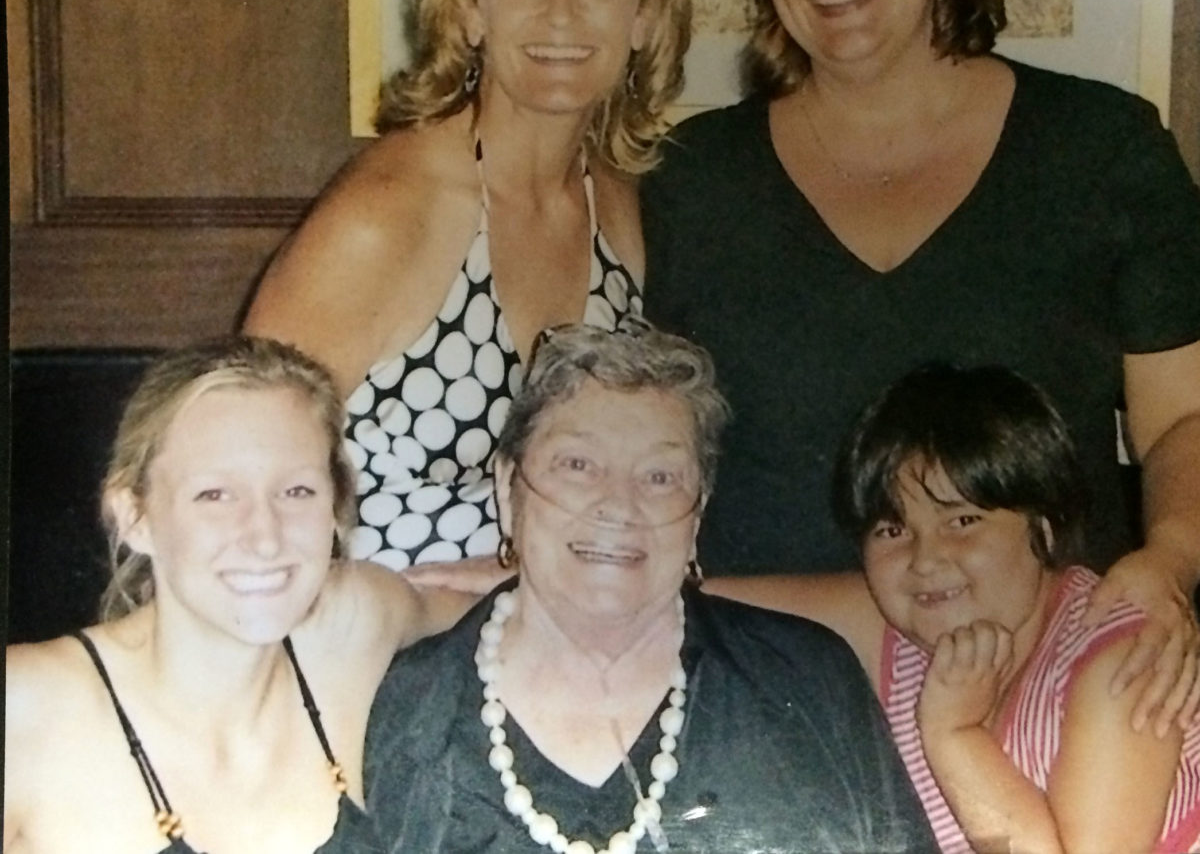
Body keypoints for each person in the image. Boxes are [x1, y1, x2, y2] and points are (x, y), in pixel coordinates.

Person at [640, 0, 1200, 655]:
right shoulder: (689, 177)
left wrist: (1169, 562)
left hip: (1040, 684)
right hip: (762, 678)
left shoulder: (1102, 150)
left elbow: (1181, 420)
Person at [244, 0, 692, 572]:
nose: (560, 12)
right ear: (469, 9)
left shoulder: (617, 206)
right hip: (359, 626)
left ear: (643, 15)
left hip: (555, 631)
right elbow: (236, 482)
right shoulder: (386, 215)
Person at [364, 320, 938, 853]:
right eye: (578, 465)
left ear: (698, 512)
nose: (619, 504)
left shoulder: (808, 680)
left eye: (660, 476)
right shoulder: (397, 712)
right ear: (508, 488)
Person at [4, 336, 473, 854]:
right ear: (135, 517)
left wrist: (514, 564)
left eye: (296, 491)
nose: (265, 537)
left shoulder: (351, 624)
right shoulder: (29, 708)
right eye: (215, 495)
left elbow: (502, 618)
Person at [709, 364, 1200, 854]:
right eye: (893, 530)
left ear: (1044, 528)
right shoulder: (907, 632)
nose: (925, 560)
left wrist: (954, 735)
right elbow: (695, 606)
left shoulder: (1125, 658)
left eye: (962, 521)